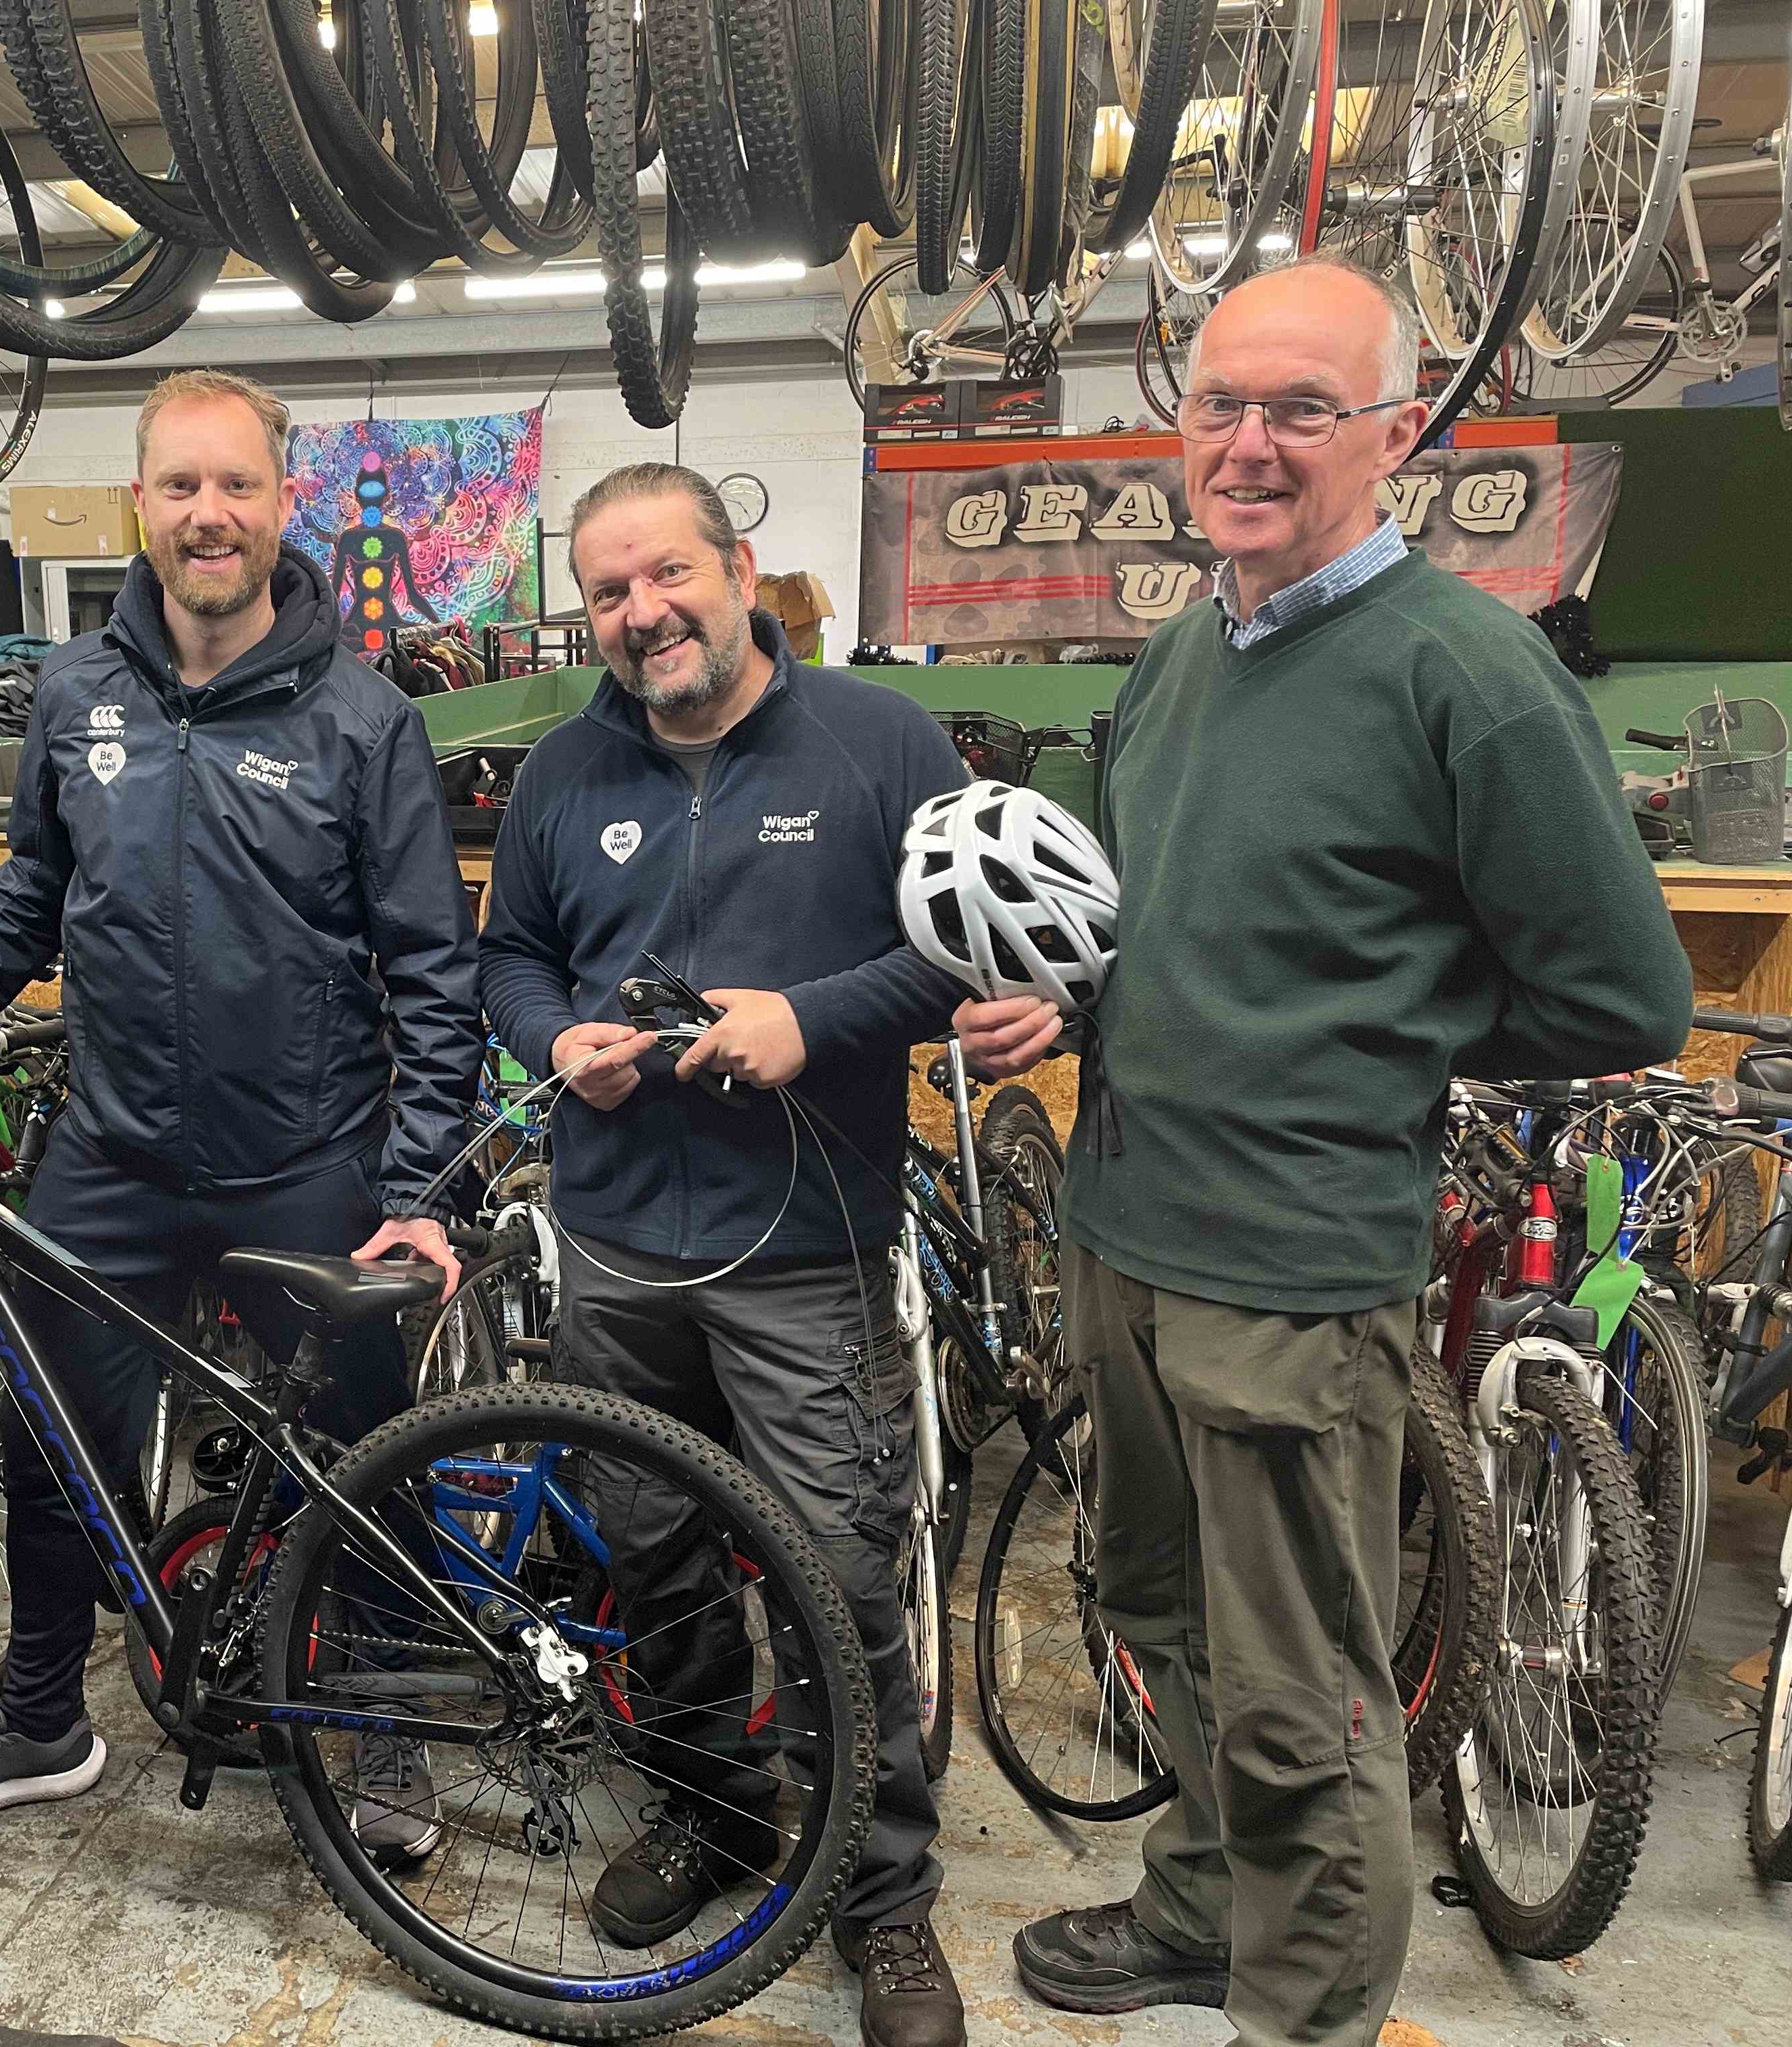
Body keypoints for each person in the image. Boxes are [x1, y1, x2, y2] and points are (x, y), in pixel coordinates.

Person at [954, 257, 1693, 2047]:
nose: (1253, 444)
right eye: (1223, 404)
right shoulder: (1190, 651)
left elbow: (1625, 991)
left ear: (1393, 436)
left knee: (1305, 1707)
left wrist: (1371, 1040)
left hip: (1288, 1273)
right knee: (1159, 1623)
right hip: (1126, 1235)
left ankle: (1304, 2017)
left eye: (1303, 409)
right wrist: (1081, 1002)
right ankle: (1210, 1911)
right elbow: (1169, 930)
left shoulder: (1466, 671)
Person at [0, 369, 479, 1851]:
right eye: (182, 486)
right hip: (115, 1157)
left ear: (285, 503)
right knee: (47, 1433)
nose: (211, 514)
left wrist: (418, 1186)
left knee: (358, 1444)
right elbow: (32, 893)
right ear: (142, 504)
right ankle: (41, 1720)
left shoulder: (364, 720)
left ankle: (381, 1727)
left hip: (303, 1162)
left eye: (240, 486)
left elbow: (431, 974)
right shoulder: (79, 694)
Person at [478, 462, 973, 2047]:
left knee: (837, 1572)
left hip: (807, 1253)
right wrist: (561, 1042)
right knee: (655, 1554)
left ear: (738, 567)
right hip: (617, 1243)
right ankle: (714, 1815)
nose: (642, 614)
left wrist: (806, 1021)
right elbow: (512, 957)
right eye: (609, 594)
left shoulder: (882, 742)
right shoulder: (562, 770)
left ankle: (882, 1897)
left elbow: (961, 950)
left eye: (667, 576)